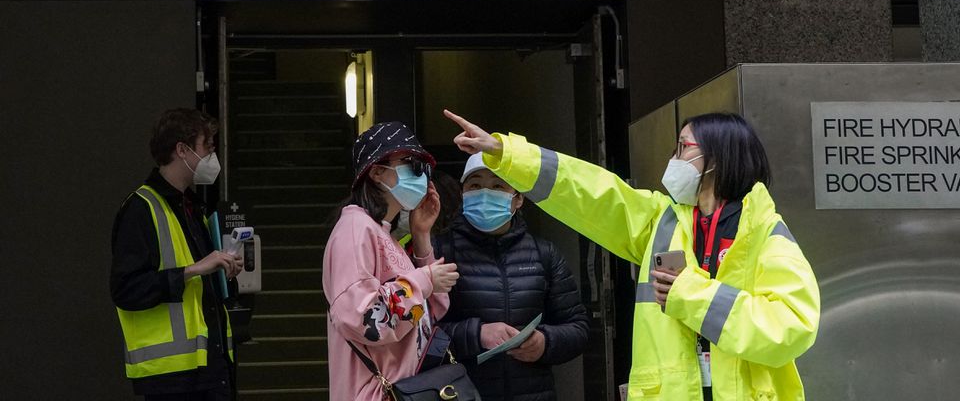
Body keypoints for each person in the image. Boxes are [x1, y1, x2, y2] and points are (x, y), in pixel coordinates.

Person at [444, 109, 820, 401]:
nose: (672, 159)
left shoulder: (765, 233)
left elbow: (791, 327)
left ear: (718, 158)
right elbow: (592, 192)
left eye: (683, 148)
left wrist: (688, 293)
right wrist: (508, 154)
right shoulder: (662, 221)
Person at [433, 152, 589, 401]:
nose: (485, 193)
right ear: (463, 194)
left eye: (498, 185)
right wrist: (476, 334)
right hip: (460, 393)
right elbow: (415, 335)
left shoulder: (543, 254)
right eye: (475, 185)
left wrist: (544, 342)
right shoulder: (438, 253)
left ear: (518, 199)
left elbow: (578, 327)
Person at [111, 108, 244, 400]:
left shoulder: (192, 207)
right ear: (182, 150)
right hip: (173, 381)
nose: (212, 155)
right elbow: (126, 290)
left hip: (212, 370)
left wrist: (222, 271)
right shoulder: (140, 209)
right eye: (207, 146)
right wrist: (192, 270)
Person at [323, 121, 459, 401]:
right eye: (411, 163)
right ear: (376, 173)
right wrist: (424, 280)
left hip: (403, 390)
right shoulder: (355, 229)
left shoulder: (380, 231)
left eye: (423, 167)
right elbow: (362, 317)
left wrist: (422, 236)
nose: (421, 175)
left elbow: (430, 311)